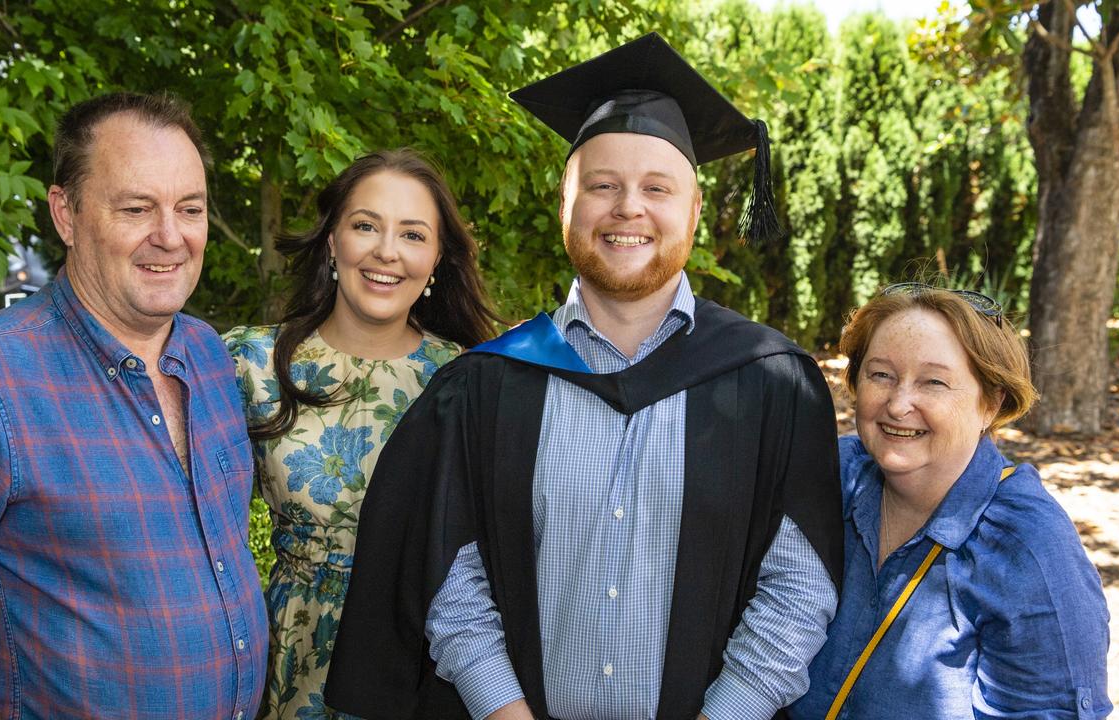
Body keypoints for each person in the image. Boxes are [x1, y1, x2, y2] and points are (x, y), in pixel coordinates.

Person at [325, 33, 843, 720]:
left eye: (657, 189)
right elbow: (450, 579)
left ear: (693, 213)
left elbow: (799, 591)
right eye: (602, 186)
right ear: (564, 206)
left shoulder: (773, 384)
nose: (628, 207)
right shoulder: (490, 385)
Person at [0, 92, 268, 719]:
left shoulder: (208, 355)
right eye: (136, 208)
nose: (171, 235)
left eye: (190, 208)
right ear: (65, 214)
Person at [223, 149, 499, 719]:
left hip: (423, 665)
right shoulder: (251, 364)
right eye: (366, 225)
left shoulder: (471, 380)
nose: (386, 251)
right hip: (286, 661)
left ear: (437, 258)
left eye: (413, 234)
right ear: (332, 242)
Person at [790, 283, 1112, 719]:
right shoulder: (830, 476)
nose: (899, 404)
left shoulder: (1028, 550)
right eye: (881, 374)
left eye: (934, 382)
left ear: (991, 404)